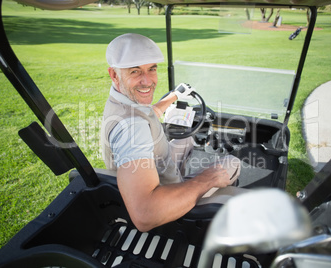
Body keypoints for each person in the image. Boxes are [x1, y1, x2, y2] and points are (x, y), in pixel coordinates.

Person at [101, 33, 240, 232]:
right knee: (231, 163)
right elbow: (145, 214)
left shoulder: (120, 101)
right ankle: (222, 201)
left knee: (187, 139)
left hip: (158, 169)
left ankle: (186, 174)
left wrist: (174, 95)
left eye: (151, 69)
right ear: (114, 75)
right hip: (168, 193)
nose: (147, 81)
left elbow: (149, 113)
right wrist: (208, 178)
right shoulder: (132, 128)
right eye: (135, 72)